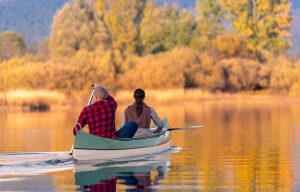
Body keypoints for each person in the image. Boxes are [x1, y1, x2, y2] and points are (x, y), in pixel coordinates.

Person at [73, 85, 138, 138]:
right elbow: (110, 99)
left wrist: (77, 133)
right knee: (133, 124)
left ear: (95, 97)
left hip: (95, 142)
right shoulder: (112, 105)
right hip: (112, 141)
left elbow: (76, 130)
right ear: (106, 97)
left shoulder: (87, 110)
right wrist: (102, 91)